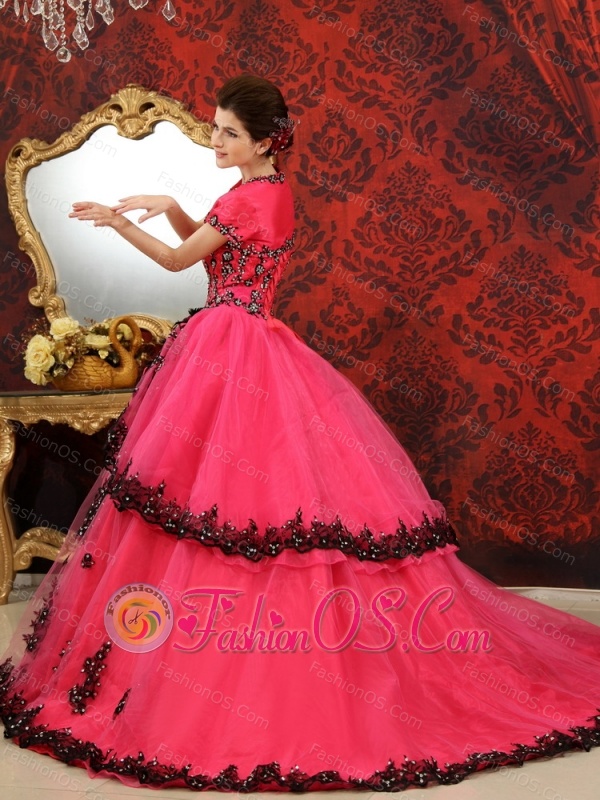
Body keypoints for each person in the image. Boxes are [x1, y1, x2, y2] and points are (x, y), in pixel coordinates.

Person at [1, 74, 599, 794]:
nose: (216, 141)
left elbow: (181, 262)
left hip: (229, 346)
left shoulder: (246, 198)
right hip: (242, 339)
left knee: (216, 502)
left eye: (228, 133)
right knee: (230, 500)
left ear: (263, 141)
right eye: (216, 128)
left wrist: (129, 219)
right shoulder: (266, 193)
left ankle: (219, 660)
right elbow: (215, 256)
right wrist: (168, 208)